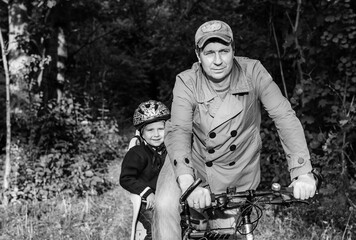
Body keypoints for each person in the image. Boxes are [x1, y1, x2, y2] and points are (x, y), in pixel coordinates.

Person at [153, 20, 317, 239]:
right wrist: (187, 183)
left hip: (236, 169)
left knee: (228, 233)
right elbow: (180, 131)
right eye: (210, 53)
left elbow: (284, 116)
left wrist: (302, 173)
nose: (218, 60)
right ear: (198, 55)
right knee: (164, 207)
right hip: (191, 161)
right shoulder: (187, 81)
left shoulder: (254, 72)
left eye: (224, 51)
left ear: (233, 51)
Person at [120, 100, 170, 240]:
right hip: (148, 202)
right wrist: (146, 193)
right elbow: (126, 178)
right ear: (142, 133)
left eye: (161, 129)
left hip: (173, 199)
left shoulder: (171, 150)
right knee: (155, 229)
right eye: (150, 130)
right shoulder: (137, 153)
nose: (156, 134)